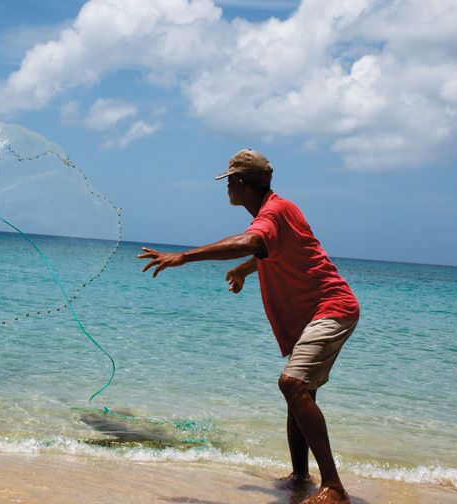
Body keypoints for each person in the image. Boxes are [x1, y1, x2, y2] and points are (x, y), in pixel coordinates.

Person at [137, 149, 359, 504]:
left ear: (239, 183)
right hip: (318, 313)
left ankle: (334, 487)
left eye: (228, 181)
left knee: (292, 384)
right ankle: (301, 477)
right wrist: (244, 269)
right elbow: (271, 249)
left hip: (332, 309)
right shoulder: (283, 209)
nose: (226, 188)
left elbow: (254, 241)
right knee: (300, 394)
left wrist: (184, 256)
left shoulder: (272, 213)